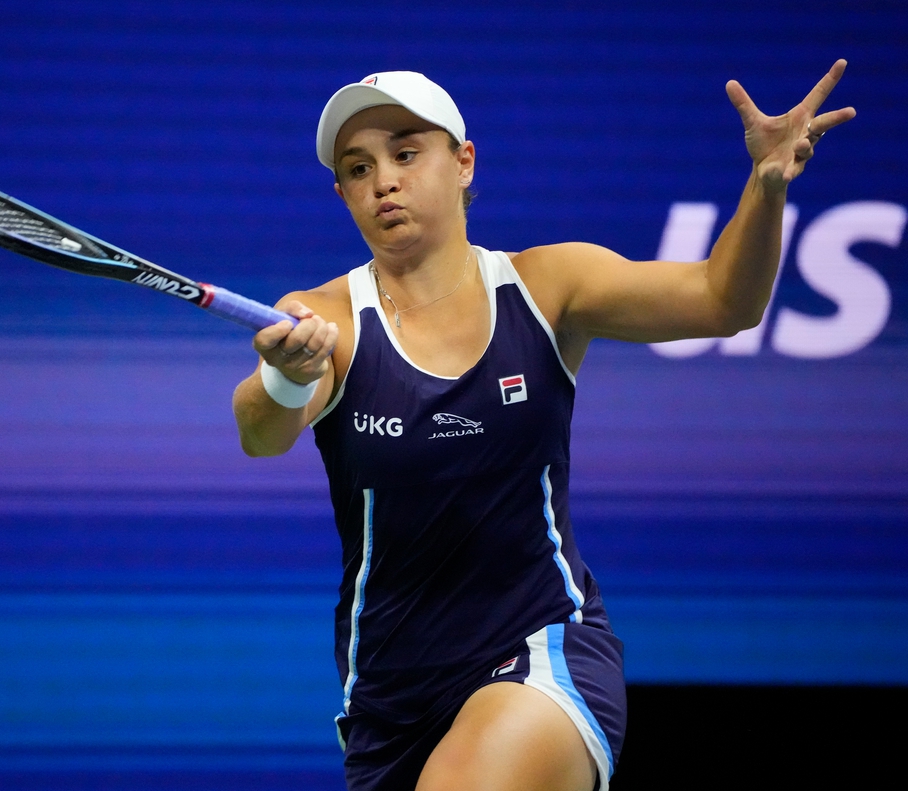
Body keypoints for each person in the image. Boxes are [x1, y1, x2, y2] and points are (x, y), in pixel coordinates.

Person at [232, 64, 854, 791]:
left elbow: (723, 301)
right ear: (342, 195)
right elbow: (262, 430)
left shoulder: (549, 286)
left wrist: (767, 184)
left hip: (543, 647)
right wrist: (287, 375)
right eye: (358, 168)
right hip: (391, 697)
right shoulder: (325, 317)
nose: (384, 182)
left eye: (406, 154)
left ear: (464, 163)